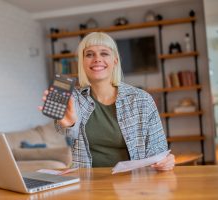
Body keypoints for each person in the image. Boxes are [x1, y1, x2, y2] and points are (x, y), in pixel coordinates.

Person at [40, 32, 175, 170]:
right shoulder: (73, 98)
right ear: (82, 62)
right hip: (88, 183)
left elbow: (157, 148)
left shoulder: (142, 99)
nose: (97, 59)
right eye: (89, 54)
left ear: (115, 60)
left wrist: (164, 161)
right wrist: (69, 125)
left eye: (104, 53)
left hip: (134, 182)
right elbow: (65, 131)